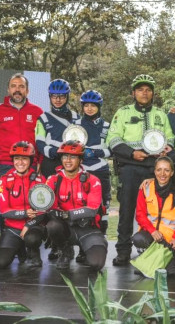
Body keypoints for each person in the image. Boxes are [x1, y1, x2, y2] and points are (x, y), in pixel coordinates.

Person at [107, 74, 175, 266]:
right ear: (133, 93)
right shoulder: (123, 112)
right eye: (140, 90)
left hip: (155, 169)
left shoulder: (161, 114)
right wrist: (131, 153)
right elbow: (112, 139)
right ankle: (123, 251)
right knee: (127, 210)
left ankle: (159, 248)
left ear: (153, 93)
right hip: (131, 167)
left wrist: (166, 148)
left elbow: (170, 138)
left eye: (148, 90)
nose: (144, 93)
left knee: (160, 210)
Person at [46, 140, 107, 271]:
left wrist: (68, 214)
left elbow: (92, 209)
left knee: (96, 263)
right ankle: (65, 250)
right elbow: (49, 207)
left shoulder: (93, 180)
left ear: (80, 160)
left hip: (88, 228)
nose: (68, 160)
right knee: (52, 226)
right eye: (64, 156)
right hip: (66, 229)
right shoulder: (53, 180)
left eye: (73, 157)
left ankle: (87, 248)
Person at [35, 78, 79, 261]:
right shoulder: (43, 118)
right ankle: (55, 244)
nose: (58, 100)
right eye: (54, 96)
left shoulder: (76, 117)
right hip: (51, 164)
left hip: (71, 164)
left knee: (71, 202)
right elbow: (39, 142)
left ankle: (74, 242)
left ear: (67, 96)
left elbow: (80, 139)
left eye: (61, 96)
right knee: (51, 204)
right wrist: (56, 152)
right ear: (50, 97)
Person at [133, 156, 175, 275]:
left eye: (167, 170)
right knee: (138, 238)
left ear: (172, 172)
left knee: (171, 272)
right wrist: (152, 231)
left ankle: (154, 260)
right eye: (159, 170)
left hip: (170, 237)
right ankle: (152, 258)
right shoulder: (146, 187)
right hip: (152, 234)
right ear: (154, 171)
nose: (162, 174)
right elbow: (140, 214)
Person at [73, 90, 111, 262]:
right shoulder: (75, 124)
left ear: (99, 107)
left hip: (100, 169)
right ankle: (82, 248)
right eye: (86, 105)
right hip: (80, 170)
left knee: (102, 209)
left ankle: (100, 243)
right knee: (82, 208)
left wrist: (95, 152)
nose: (89, 108)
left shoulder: (106, 126)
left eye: (93, 105)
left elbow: (111, 149)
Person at [0, 142, 46, 268]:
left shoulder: (40, 180)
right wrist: (25, 213)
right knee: (2, 262)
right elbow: (3, 211)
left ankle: (33, 251)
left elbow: (43, 210)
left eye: (24, 158)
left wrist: (28, 224)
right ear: (13, 160)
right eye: (16, 159)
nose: (20, 162)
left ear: (30, 160)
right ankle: (19, 248)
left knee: (32, 238)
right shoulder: (4, 180)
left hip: (33, 227)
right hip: (12, 228)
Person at [0, 73, 43, 176]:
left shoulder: (37, 112)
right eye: (13, 86)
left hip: (30, 164)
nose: (17, 89)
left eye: (21, 86)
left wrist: (40, 162)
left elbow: (42, 139)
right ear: (8, 90)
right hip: (5, 165)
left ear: (27, 91)